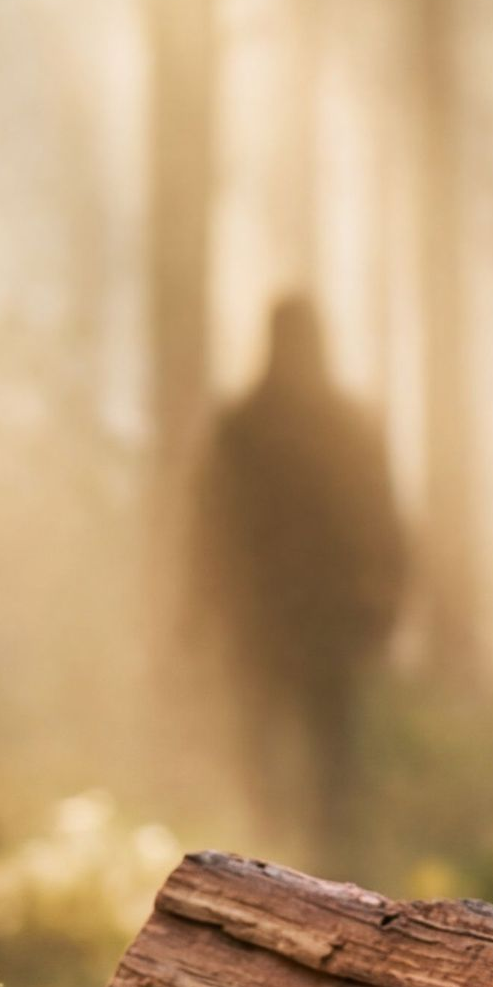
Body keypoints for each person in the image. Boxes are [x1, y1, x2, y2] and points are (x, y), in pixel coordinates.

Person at [189, 296, 407, 870]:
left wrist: (386, 603)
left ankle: (296, 866)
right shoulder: (269, 427)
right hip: (292, 622)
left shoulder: (248, 426)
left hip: (288, 623)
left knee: (305, 757)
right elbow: (211, 530)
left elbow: (382, 523)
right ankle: (302, 864)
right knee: (310, 757)